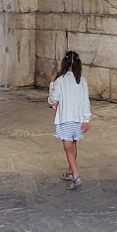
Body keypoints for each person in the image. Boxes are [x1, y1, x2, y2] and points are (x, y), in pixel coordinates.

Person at [48, 50, 91, 191]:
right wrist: (86, 119)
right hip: (78, 119)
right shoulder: (82, 81)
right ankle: (70, 170)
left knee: (67, 149)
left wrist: (51, 84)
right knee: (73, 145)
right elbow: (86, 101)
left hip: (65, 119)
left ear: (64, 64)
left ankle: (76, 176)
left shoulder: (60, 81)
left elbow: (53, 99)